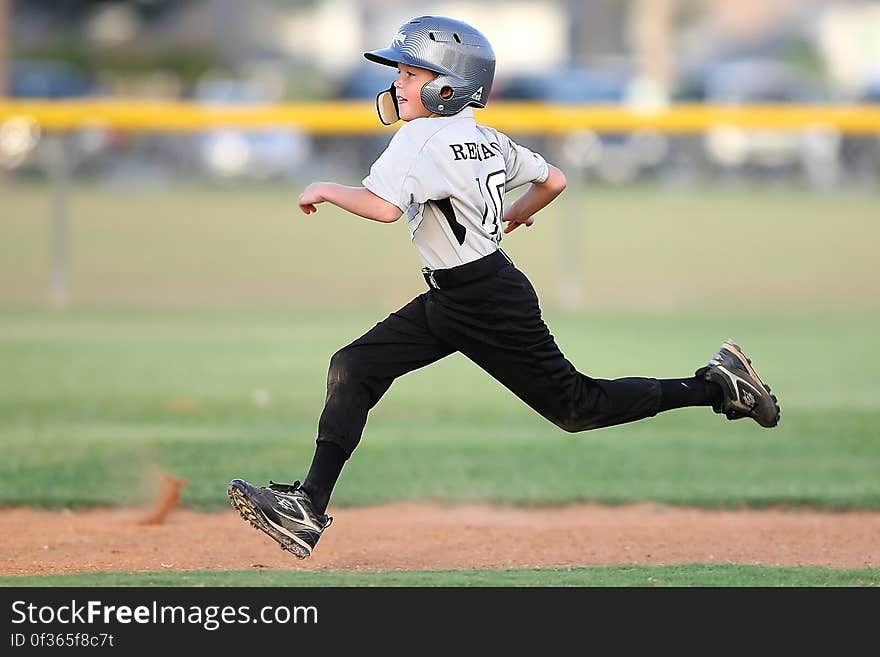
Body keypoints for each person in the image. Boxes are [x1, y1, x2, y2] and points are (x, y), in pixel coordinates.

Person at [227, 15, 780, 559]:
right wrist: (513, 214)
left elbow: (384, 209)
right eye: (400, 71)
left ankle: (716, 384)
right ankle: (306, 505)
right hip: (464, 293)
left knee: (577, 407)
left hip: (485, 301)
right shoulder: (484, 137)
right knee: (355, 366)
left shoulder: (419, 138)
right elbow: (554, 179)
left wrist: (325, 187)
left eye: (411, 73)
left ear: (449, 85)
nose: (397, 82)